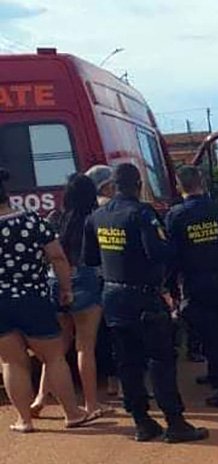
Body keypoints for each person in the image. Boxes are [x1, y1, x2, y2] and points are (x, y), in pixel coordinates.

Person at [82, 163, 208, 443]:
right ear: (138, 185)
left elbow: (90, 259)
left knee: (128, 363)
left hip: (113, 298)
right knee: (160, 360)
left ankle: (142, 422)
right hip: (144, 297)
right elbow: (158, 252)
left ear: (113, 186)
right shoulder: (141, 213)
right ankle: (175, 423)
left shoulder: (97, 217)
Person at [0, 169, 99, 433]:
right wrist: (65, 288)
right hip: (34, 297)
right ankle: (72, 413)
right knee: (53, 357)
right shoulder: (32, 221)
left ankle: (24, 420)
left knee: (11, 361)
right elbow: (57, 256)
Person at [166, 166, 218, 408]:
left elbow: (171, 258)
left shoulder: (176, 215)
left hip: (197, 283)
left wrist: (171, 289)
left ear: (179, 184)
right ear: (201, 181)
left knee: (211, 336)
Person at [31, 174, 111, 419]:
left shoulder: (55, 218)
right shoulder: (94, 219)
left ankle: (40, 397)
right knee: (84, 347)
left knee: (55, 349)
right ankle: (91, 403)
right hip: (86, 279)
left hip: (57, 279)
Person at [84, 164, 120, 396]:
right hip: (112, 279)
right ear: (106, 186)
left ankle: (108, 381)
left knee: (98, 337)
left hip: (90, 281)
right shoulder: (110, 211)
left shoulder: (83, 212)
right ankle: (117, 382)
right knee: (116, 333)